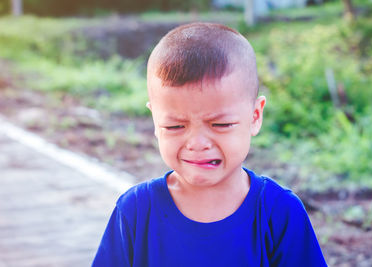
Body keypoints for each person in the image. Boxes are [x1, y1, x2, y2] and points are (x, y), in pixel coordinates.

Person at [92, 22, 327, 267]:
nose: (197, 143)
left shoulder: (278, 212)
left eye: (220, 124)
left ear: (255, 116)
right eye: (175, 126)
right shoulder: (136, 211)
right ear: (155, 121)